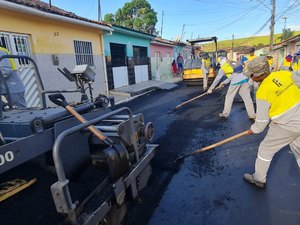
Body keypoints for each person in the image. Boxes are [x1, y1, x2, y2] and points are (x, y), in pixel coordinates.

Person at [243, 56, 300, 188]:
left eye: (252, 76)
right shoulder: (285, 74)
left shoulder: (262, 91)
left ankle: (258, 179)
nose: (251, 78)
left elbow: (262, 122)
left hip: (286, 125)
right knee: (297, 146)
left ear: (260, 74)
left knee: (265, 149)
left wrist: (254, 129)